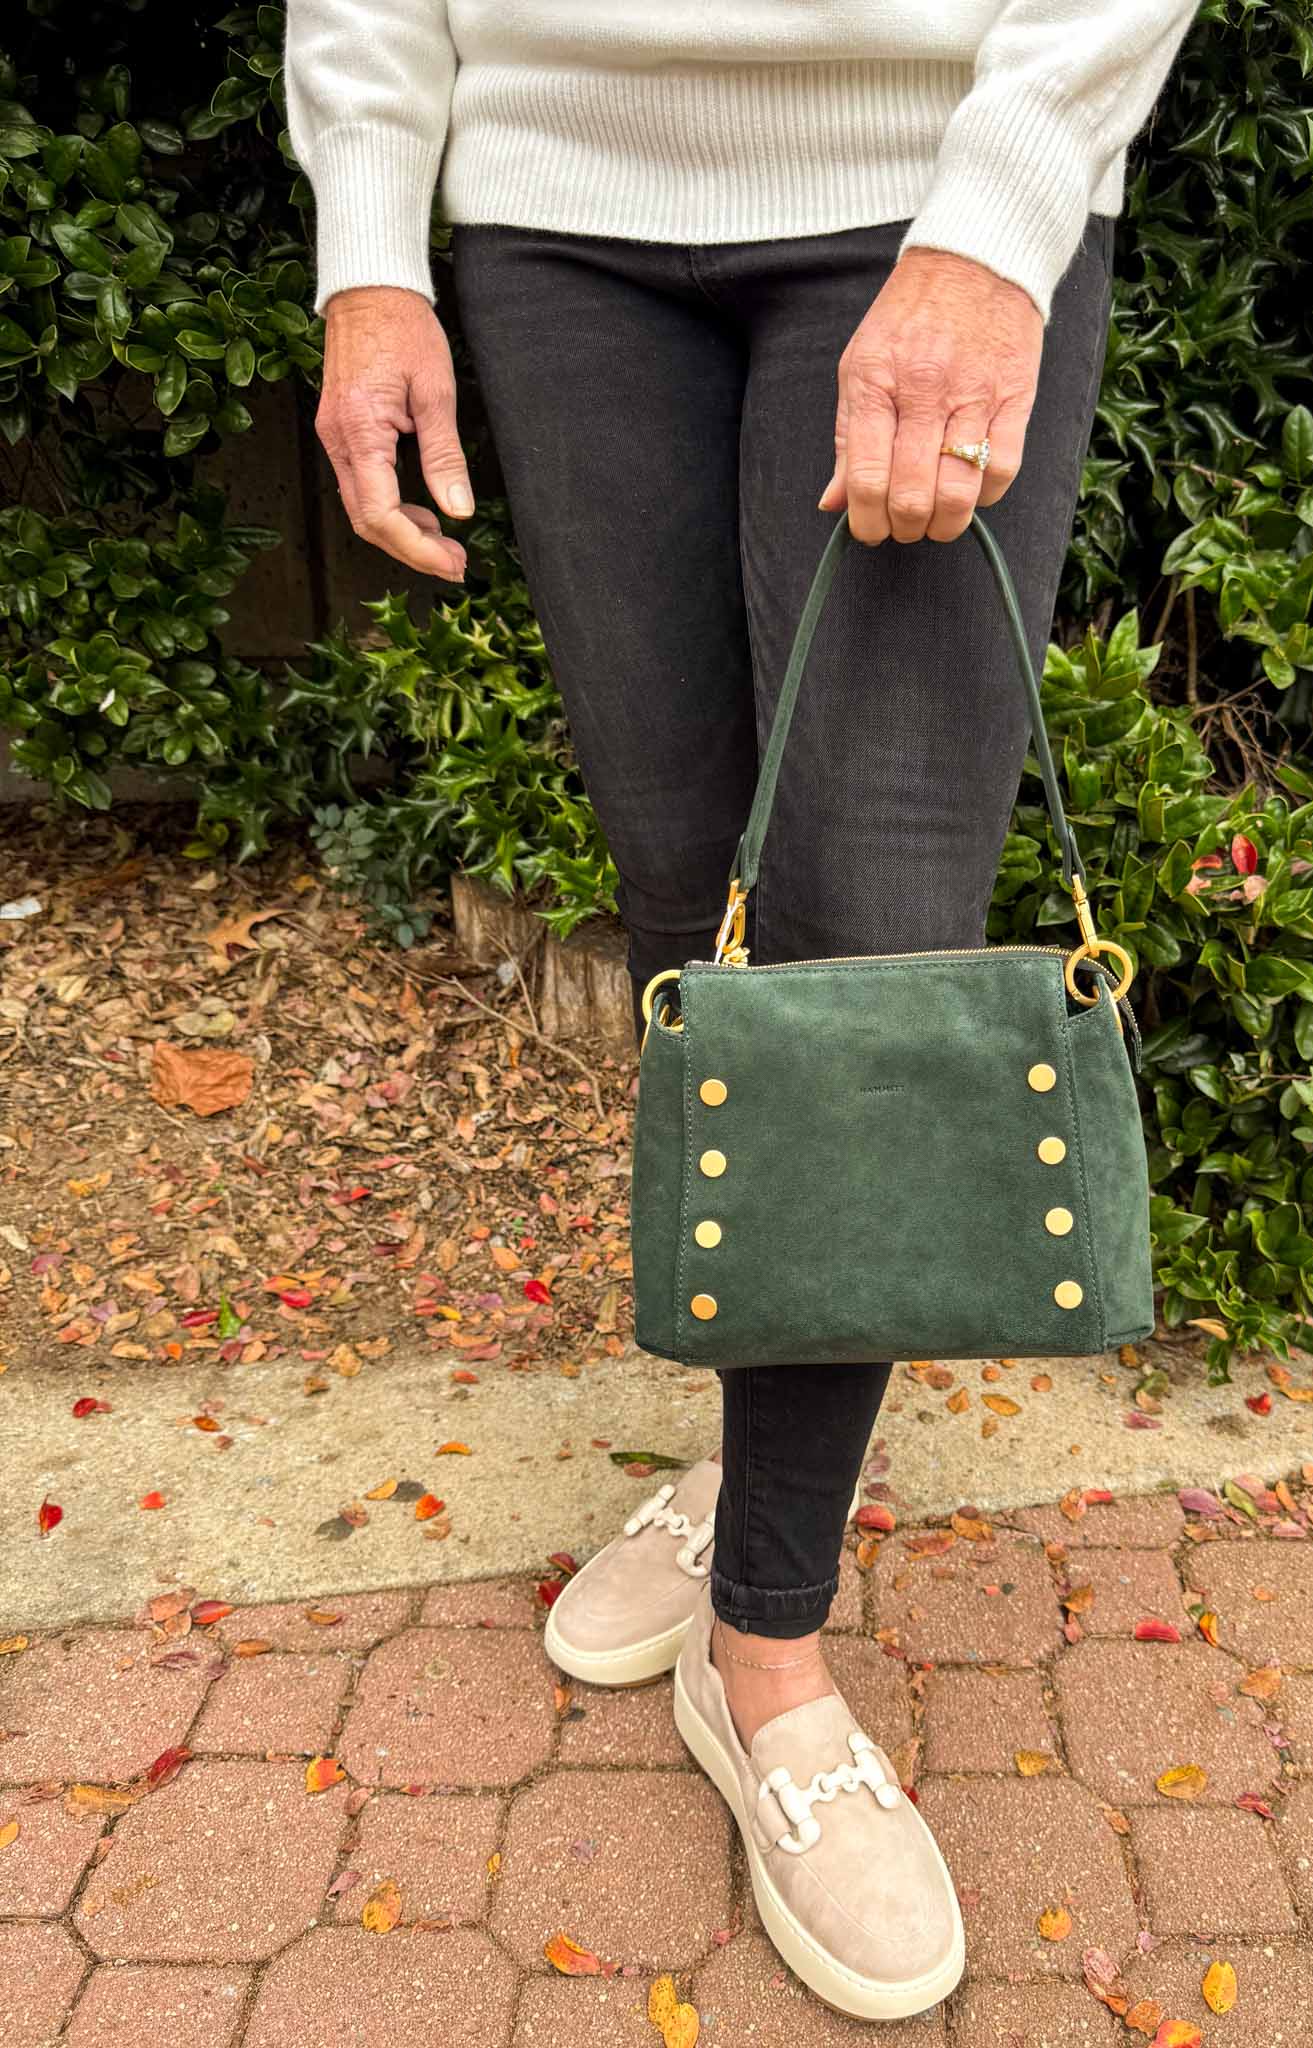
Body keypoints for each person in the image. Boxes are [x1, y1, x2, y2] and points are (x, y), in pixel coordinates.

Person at [284, 0, 1197, 2020]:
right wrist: (370, 247)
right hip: (555, 219)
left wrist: (1000, 211)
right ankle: (744, 1470)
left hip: (920, 184)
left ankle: (763, 1650)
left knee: (861, 962)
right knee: (697, 933)